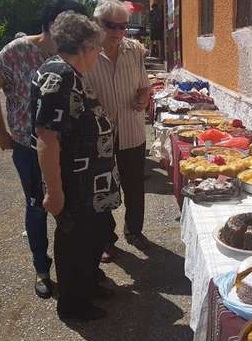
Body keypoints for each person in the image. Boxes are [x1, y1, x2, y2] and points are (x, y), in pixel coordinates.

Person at [31, 11, 121, 321]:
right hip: (75, 185)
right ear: (83, 46)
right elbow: (46, 137)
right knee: (74, 244)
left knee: (92, 238)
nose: (98, 53)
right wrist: (53, 191)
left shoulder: (72, 74)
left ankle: (87, 285)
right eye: (96, 47)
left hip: (90, 185)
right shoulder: (60, 76)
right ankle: (73, 305)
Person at [0, 0, 87, 299]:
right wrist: (3, 134)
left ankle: (80, 269)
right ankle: (42, 269)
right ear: (53, 26)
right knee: (37, 208)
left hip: (69, 148)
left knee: (73, 206)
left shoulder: (75, 53)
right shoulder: (15, 52)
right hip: (28, 146)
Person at [87, 0, 151, 262]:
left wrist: (143, 98)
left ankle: (134, 231)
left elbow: (144, 85)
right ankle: (106, 239)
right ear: (96, 23)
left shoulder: (134, 50)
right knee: (102, 189)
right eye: (110, 26)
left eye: (122, 26)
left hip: (132, 131)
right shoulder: (86, 51)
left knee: (134, 186)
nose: (117, 32)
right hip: (98, 136)